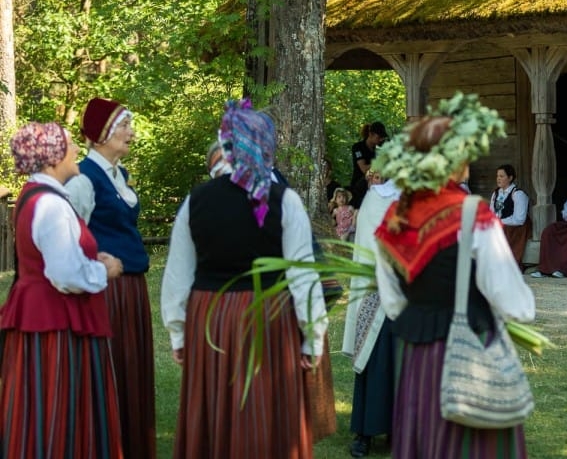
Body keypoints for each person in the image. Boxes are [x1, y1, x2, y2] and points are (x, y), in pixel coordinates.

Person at [371, 92, 534, 459]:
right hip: (470, 347)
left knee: (424, 440)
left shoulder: (394, 218)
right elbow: (513, 301)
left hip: (415, 354)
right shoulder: (472, 215)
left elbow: (393, 301)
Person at [162, 100, 327, 458]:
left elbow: (178, 275)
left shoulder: (196, 200)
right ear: (266, 145)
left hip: (212, 319)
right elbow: (302, 277)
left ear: (226, 144)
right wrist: (312, 339)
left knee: (215, 411)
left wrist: (178, 331)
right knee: (267, 415)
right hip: (268, 317)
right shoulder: (287, 201)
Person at [0, 122, 125, 459]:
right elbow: (64, 273)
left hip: (44, 317)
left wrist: (86, 258)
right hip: (55, 324)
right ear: (52, 158)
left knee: (44, 406)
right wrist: (105, 269)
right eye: (69, 146)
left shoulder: (37, 195)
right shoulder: (51, 205)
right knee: (57, 403)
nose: (74, 153)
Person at [63, 96, 156, 459]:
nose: (131, 133)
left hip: (131, 288)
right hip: (107, 290)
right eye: (124, 126)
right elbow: (70, 237)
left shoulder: (118, 175)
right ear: (100, 134)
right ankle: (107, 444)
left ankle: (131, 442)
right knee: (112, 367)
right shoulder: (84, 178)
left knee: (131, 369)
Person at [343, 172, 401, 458]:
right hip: (378, 289)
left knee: (404, 364)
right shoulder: (376, 198)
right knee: (374, 359)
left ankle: (399, 430)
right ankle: (364, 432)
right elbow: (367, 244)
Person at [491, 164, 531, 264]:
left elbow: (519, 219)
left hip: (516, 227)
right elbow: (491, 212)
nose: (498, 179)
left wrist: (499, 222)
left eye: (501, 176)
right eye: (497, 176)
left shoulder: (518, 194)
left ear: (510, 178)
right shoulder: (496, 193)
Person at [350, 121, 389, 208]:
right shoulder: (358, 147)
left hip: (374, 185)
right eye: (379, 137)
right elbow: (363, 169)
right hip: (359, 186)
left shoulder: (377, 151)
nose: (380, 140)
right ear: (371, 134)